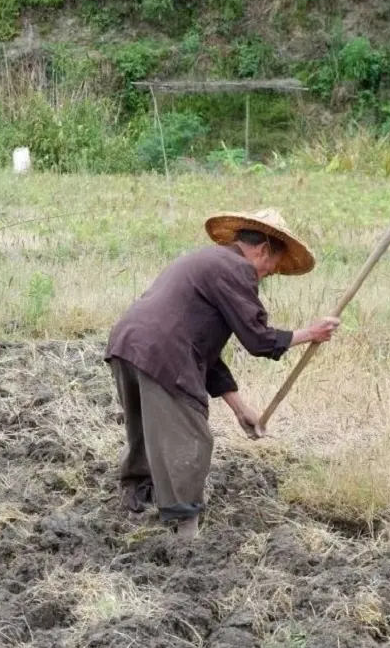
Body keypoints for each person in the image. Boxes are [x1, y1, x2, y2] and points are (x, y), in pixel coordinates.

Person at [104, 208, 340, 539]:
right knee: (192, 438)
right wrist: (309, 334)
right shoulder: (237, 269)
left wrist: (240, 408)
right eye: (272, 266)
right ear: (262, 250)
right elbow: (258, 340)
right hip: (164, 351)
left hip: (128, 343)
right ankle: (183, 529)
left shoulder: (210, 262)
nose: (269, 274)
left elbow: (207, 354)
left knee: (148, 429)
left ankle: (137, 500)